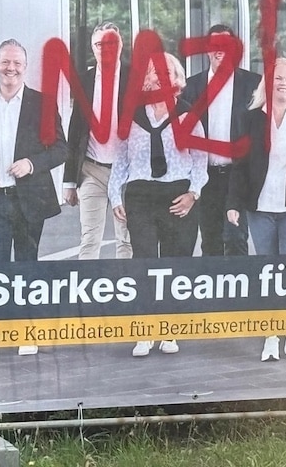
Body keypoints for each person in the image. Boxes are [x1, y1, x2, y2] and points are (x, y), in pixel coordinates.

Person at [0, 38, 68, 360]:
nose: (11, 68)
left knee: (26, 267)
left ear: (25, 67)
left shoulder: (42, 104)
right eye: (5, 62)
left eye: (17, 63)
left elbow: (61, 148)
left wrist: (32, 164)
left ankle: (25, 333)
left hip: (28, 201)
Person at [109, 52, 208, 358]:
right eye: (152, 72)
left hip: (178, 195)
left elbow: (200, 160)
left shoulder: (188, 114)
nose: (157, 79)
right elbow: (120, 160)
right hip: (141, 196)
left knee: (175, 263)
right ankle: (144, 330)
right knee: (145, 262)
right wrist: (115, 196)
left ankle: (169, 329)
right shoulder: (131, 116)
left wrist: (193, 194)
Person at [226, 57, 286, 361]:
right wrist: (233, 203)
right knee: (268, 272)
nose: (283, 83)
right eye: (277, 78)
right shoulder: (250, 118)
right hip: (260, 208)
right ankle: (271, 334)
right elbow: (239, 165)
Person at [183, 25, 261, 256]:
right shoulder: (192, 87)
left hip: (238, 174)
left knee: (236, 238)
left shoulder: (253, 84)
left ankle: (239, 280)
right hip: (205, 175)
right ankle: (212, 280)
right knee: (210, 240)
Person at [63, 21, 132, 260]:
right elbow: (75, 131)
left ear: (120, 45)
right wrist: (69, 181)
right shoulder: (84, 80)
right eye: (99, 44)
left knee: (126, 239)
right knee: (89, 239)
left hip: (127, 173)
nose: (105, 49)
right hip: (92, 170)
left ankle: (125, 283)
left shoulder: (136, 77)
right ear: (93, 48)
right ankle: (86, 284)